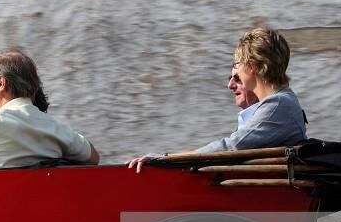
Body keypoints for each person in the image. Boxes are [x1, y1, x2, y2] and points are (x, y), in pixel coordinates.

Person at [128, 28, 305, 170]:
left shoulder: (278, 104)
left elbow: (230, 149)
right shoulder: (279, 103)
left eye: (237, 66)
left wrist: (165, 159)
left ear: (252, 67)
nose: (230, 83)